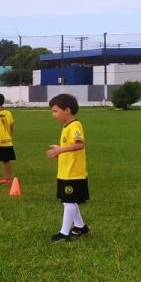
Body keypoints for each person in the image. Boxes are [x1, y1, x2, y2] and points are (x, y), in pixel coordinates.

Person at [46, 94, 90, 243]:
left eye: (55, 111)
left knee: (69, 202)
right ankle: (81, 228)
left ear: (67, 110)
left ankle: (64, 234)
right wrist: (60, 148)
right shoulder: (67, 126)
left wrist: (60, 150)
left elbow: (80, 144)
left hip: (74, 173)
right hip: (65, 172)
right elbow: (70, 146)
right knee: (69, 201)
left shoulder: (75, 125)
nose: (53, 115)